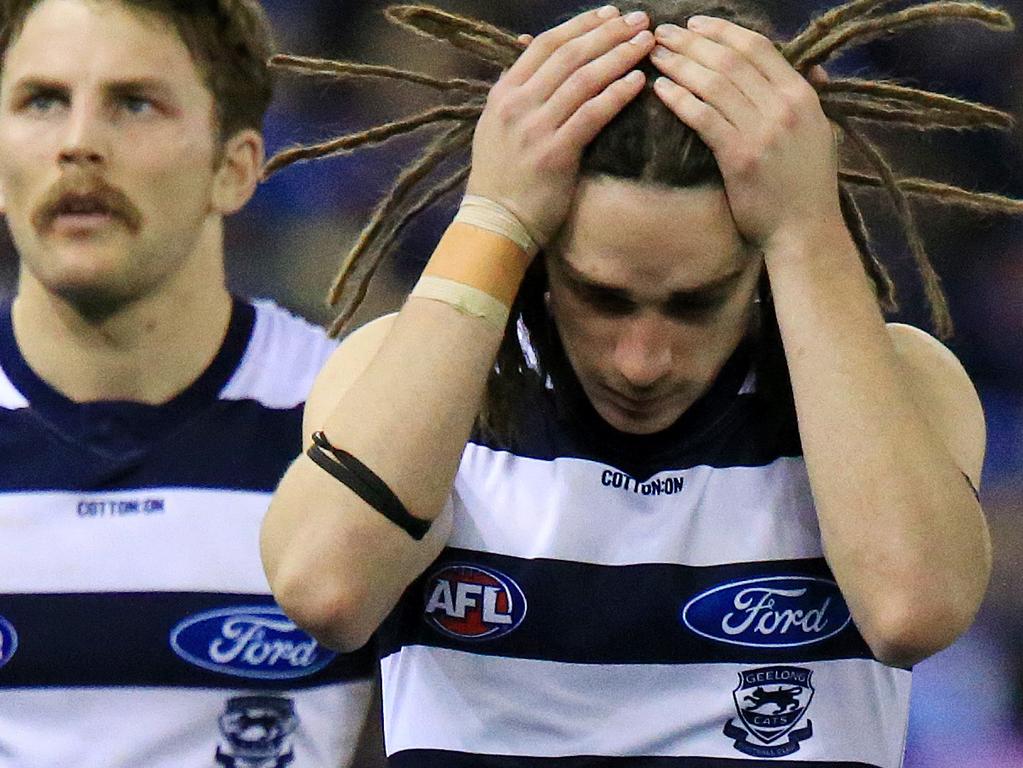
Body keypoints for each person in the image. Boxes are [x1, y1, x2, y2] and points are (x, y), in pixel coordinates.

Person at [261, 0, 1016, 765]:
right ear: (543, 251)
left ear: (758, 260)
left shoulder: (903, 381)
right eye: (603, 297)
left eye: (694, 303)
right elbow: (327, 592)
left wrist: (805, 226)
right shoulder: (400, 376)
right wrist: (494, 213)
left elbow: (910, 611)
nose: (641, 361)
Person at [0, 1, 377, 765]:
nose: (78, 144)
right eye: (42, 101)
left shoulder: (354, 418)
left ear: (234, 169)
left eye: (134, 103)